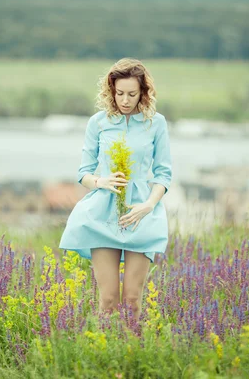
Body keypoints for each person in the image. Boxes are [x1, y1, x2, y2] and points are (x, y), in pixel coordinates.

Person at [59, 58, 172, 321]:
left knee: (132, 299)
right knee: (108, 300)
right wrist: (101, 182)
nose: (125, 100)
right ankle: (104, 356)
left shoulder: (157, 123)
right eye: (119, 93)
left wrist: (149, 205)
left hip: (141, 213)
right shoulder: (98, 123)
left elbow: (163, 174)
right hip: (103, 214)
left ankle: (130, 355)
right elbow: (83, 173)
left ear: (143, 92)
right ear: (111, 91)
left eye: (132, 94)